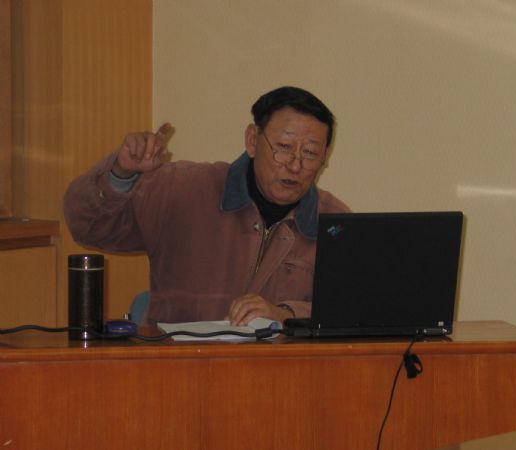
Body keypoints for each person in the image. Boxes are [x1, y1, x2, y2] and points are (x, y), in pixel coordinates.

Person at [64, 86, 350, 326]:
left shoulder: (334, 223)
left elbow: (353, 311)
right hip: (178, 366)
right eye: (284, 147)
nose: (296, 165)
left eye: (310, 153)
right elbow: (89, 227)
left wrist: (286, 314)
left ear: (325, 157)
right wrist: (121, 174)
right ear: (252, 140)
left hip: (277, 373)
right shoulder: (181, 189)